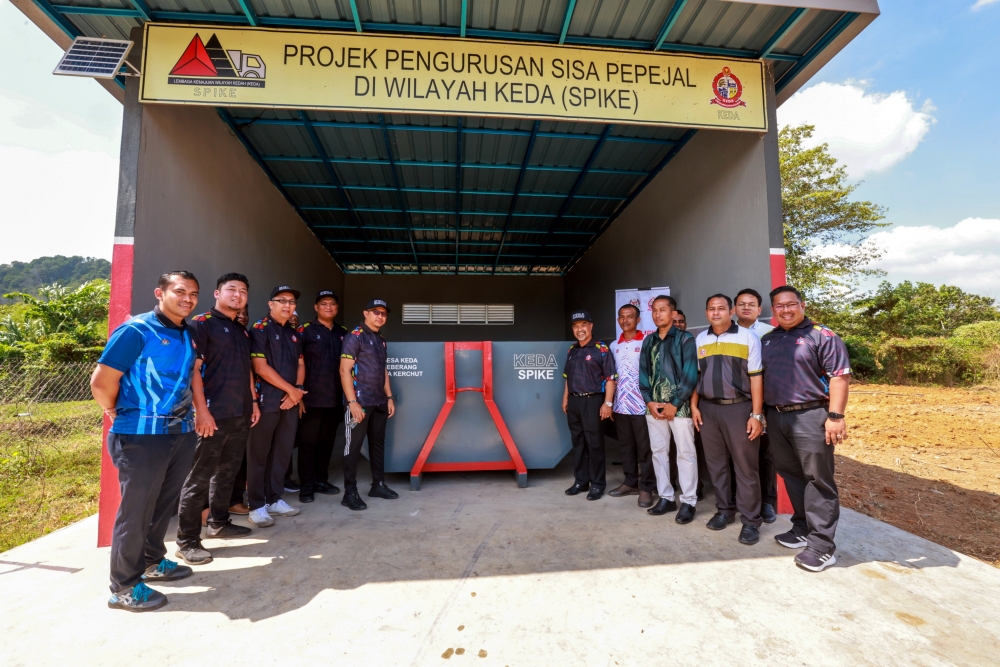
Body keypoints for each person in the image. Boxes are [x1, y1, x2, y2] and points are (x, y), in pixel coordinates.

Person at [90, 271, 200, 612]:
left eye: (193, 293)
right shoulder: (136, 330)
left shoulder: (186, 333)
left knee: (162, 504)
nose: (187, 298)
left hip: (179, 432)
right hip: (140, 436)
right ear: (160, 292)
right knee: (135, 512)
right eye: (179, 291)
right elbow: (101, 380)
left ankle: (153, 561)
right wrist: (113, 409)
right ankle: (123, 586)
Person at [762, 286, 851, 572]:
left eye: (791, 304)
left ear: (802, 304)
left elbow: (839, 378)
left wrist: (835, 416)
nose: (785, 310)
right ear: (773, 309)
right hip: (776, 417)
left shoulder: (822, 335)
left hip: (812, 416)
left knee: (818, 479)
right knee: (791, 474)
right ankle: (802, 528)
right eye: (779, 306)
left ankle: (823, 546)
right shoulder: (768, 340)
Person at [175, 274, 259, 566]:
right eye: (231, 289)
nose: (238, 295)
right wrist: (202, 411)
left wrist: (253, 401)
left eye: (243, 291)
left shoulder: (240, 330)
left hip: (240, 411)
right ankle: (186, 540)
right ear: (217, 293)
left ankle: (219, 522)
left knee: (228, 470)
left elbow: (246, 369)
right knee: (199, 475)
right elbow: (193, 369)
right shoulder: (202, 324)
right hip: (213, 413)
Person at [690, 294, 765, 545]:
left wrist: (756, 414)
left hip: (739, 410)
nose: (716, 313)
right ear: (706, 312)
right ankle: (724, 510)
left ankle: (751, 521)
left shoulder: (747, 337)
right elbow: (696, 377)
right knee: (716, 465)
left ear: (731, 311)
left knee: (745, 467)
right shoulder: (701, 339)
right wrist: (694, 406)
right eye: (711, 309)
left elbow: (756, 378)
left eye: (721, 308)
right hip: (709, 410)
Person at [247, 286, 306, 527]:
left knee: (282, 453)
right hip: (267, 401)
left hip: (290, 403)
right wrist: (291, 390)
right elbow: (260, 368)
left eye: (291, 301)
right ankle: (257, 505)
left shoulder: (294, 333)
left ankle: (274, 498)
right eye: (281, 300)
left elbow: (301, 364)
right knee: (259, 454)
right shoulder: (259, 330)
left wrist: (298, 389)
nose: (287, 305)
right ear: (271, 304)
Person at [640, 295, 699, 522]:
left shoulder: (685, 339)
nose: (657, 314)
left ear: (673, 314)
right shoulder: (649, 341)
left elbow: (690, 375)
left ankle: (688, 501)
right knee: (659, 453)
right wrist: (649, 401)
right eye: (654, 310)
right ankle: (665, 497)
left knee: (685, 454)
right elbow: (643, 374)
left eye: (662, 310)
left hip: (680, 408)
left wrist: (675, 403)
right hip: (654, 408)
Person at [340, 298, 398, 510]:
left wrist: (389, 397)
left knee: (377, 444)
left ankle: (378, 485)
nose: (380, 316)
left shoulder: (381, 340)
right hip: (360, 402)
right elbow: (344, 370)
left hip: (379, 401)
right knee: (352, 446)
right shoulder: (355, 337)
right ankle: (350, 492)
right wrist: (352, 402)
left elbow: (383, 370)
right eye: (376, 312)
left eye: (383, 313)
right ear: (366, 313)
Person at [297, 290, 348, 503]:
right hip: (310, 398)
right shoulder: (304, 331)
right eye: (324, 303)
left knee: (327, 442)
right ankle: (306, 486)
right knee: (308, 443)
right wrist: (297, 393)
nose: (329, 307)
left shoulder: (343, 332)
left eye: (333, 303)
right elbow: (295, 363)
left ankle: (321, 480)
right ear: (316, 307)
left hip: (335, 398)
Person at [562, 310, 617, 501]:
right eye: (576, 326)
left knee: (594, 444)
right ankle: (581, 481)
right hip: (574, 401)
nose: (580, 329)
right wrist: (566, 398)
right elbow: (568, 377)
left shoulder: (601, 349)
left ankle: (598, 484)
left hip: (593, 401)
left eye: (583, 325)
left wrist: (607, 403)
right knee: (578, 443)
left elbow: (610, 378)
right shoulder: (572, 350)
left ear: (591, 326)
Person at [735, 288, 777, 523]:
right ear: (734, 309)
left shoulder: (770, 333)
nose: (746, 308)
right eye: (742, 304)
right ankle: (740, 498)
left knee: (764, 453)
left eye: (752, 304)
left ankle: (767, 501)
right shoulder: (728, 333)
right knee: (739, 454)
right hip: (736, 403)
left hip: (765, 401)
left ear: (760, 309)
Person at [608, 304, 654, 508]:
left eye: (630, 317)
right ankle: (630, 482)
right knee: (626, 447)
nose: (625, 320)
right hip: (620, 405)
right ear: (618, 320)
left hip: (643, 406)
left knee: (645, 448)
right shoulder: (613, 346)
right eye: (622, 317)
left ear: (638, 320)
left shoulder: (647, 341)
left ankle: (646, 487)